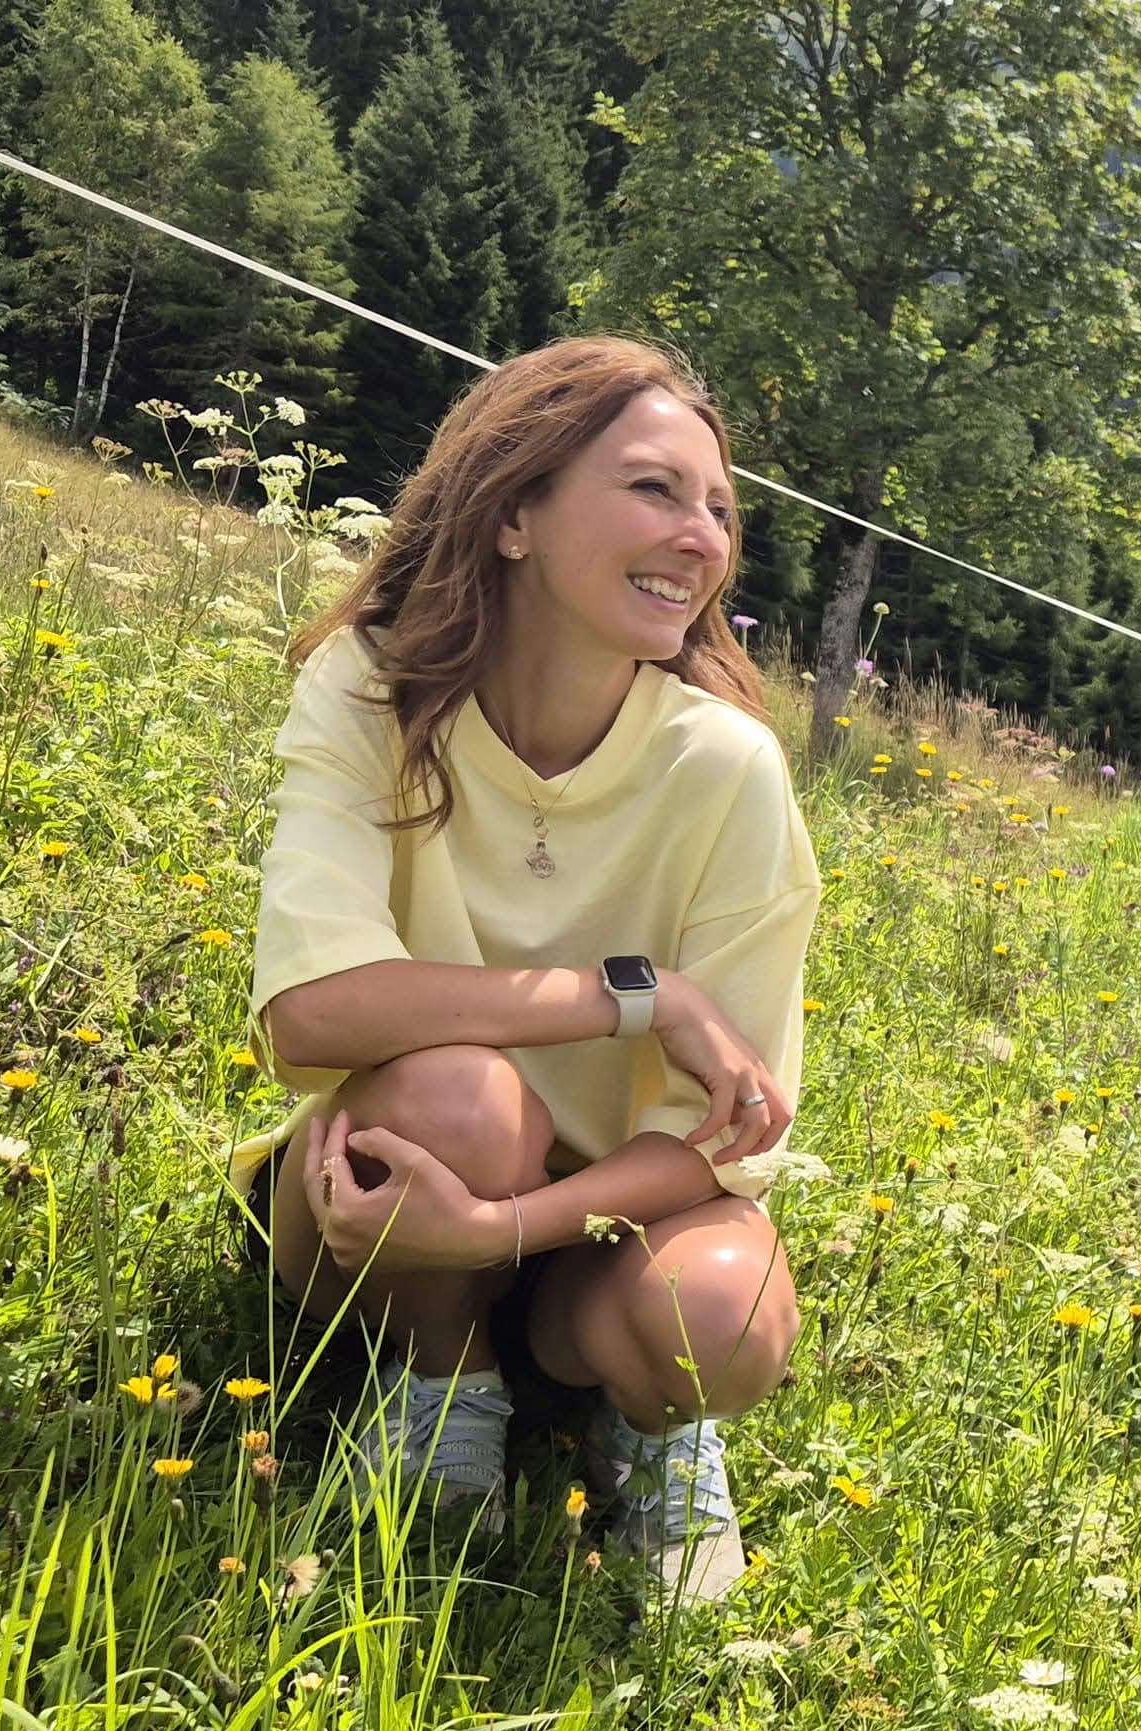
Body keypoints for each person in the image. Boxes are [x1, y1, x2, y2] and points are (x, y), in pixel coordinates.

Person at [227, 334, 817, 1607]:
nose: (701, 538)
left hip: (614, 1236)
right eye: (654, 489)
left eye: (718, 511)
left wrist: (501, 1229)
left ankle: (649, 1431)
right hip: (378, 1207)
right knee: (459, 1098)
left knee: (721, 1314)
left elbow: (727, 1138)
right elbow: (308, 1019)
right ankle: (442, 1393)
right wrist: (638, 993)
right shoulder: (375, 689)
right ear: (511, 517)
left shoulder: (728, 769)